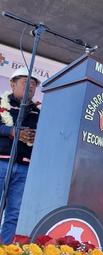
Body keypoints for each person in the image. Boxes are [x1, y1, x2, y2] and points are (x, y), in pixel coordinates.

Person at [0, 67, 40, 244]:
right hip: (1, 164)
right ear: (12, 84)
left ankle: (5, 250)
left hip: (24, 168)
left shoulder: (38, 112)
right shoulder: (1, 105)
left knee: (14, 214)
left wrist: (39, 136)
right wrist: (11, 131)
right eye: (26, 82)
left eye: (33, 85)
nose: (30, 87)